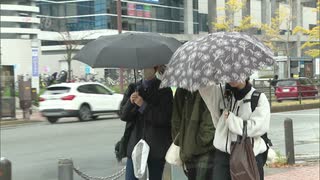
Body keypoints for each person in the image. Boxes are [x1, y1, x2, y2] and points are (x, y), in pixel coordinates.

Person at [199, 78, 270, 180]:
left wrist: (232, 120)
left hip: (248, 155)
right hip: (223, 156)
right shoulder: (221, 94)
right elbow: (204, 87)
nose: (232, 77)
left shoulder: (258, 98)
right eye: (228, 74)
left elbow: (257, 127)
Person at [119, 66, 173, 180]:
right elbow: (124, 115)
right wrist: (130, 102)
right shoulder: (133, 87)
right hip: (135, 143)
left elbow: (164, 118)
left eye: (148, 66)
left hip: (156, 146)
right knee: (130, 177)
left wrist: (143, 106)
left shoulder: (164, 89)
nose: (145, 70)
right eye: (144, 66)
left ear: (155, 68)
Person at [171, 88, 215, 180]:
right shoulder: (210, 89)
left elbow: (176, 122)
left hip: (190, 148)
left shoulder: (181, 90)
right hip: (203, 149)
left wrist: (183, 143)